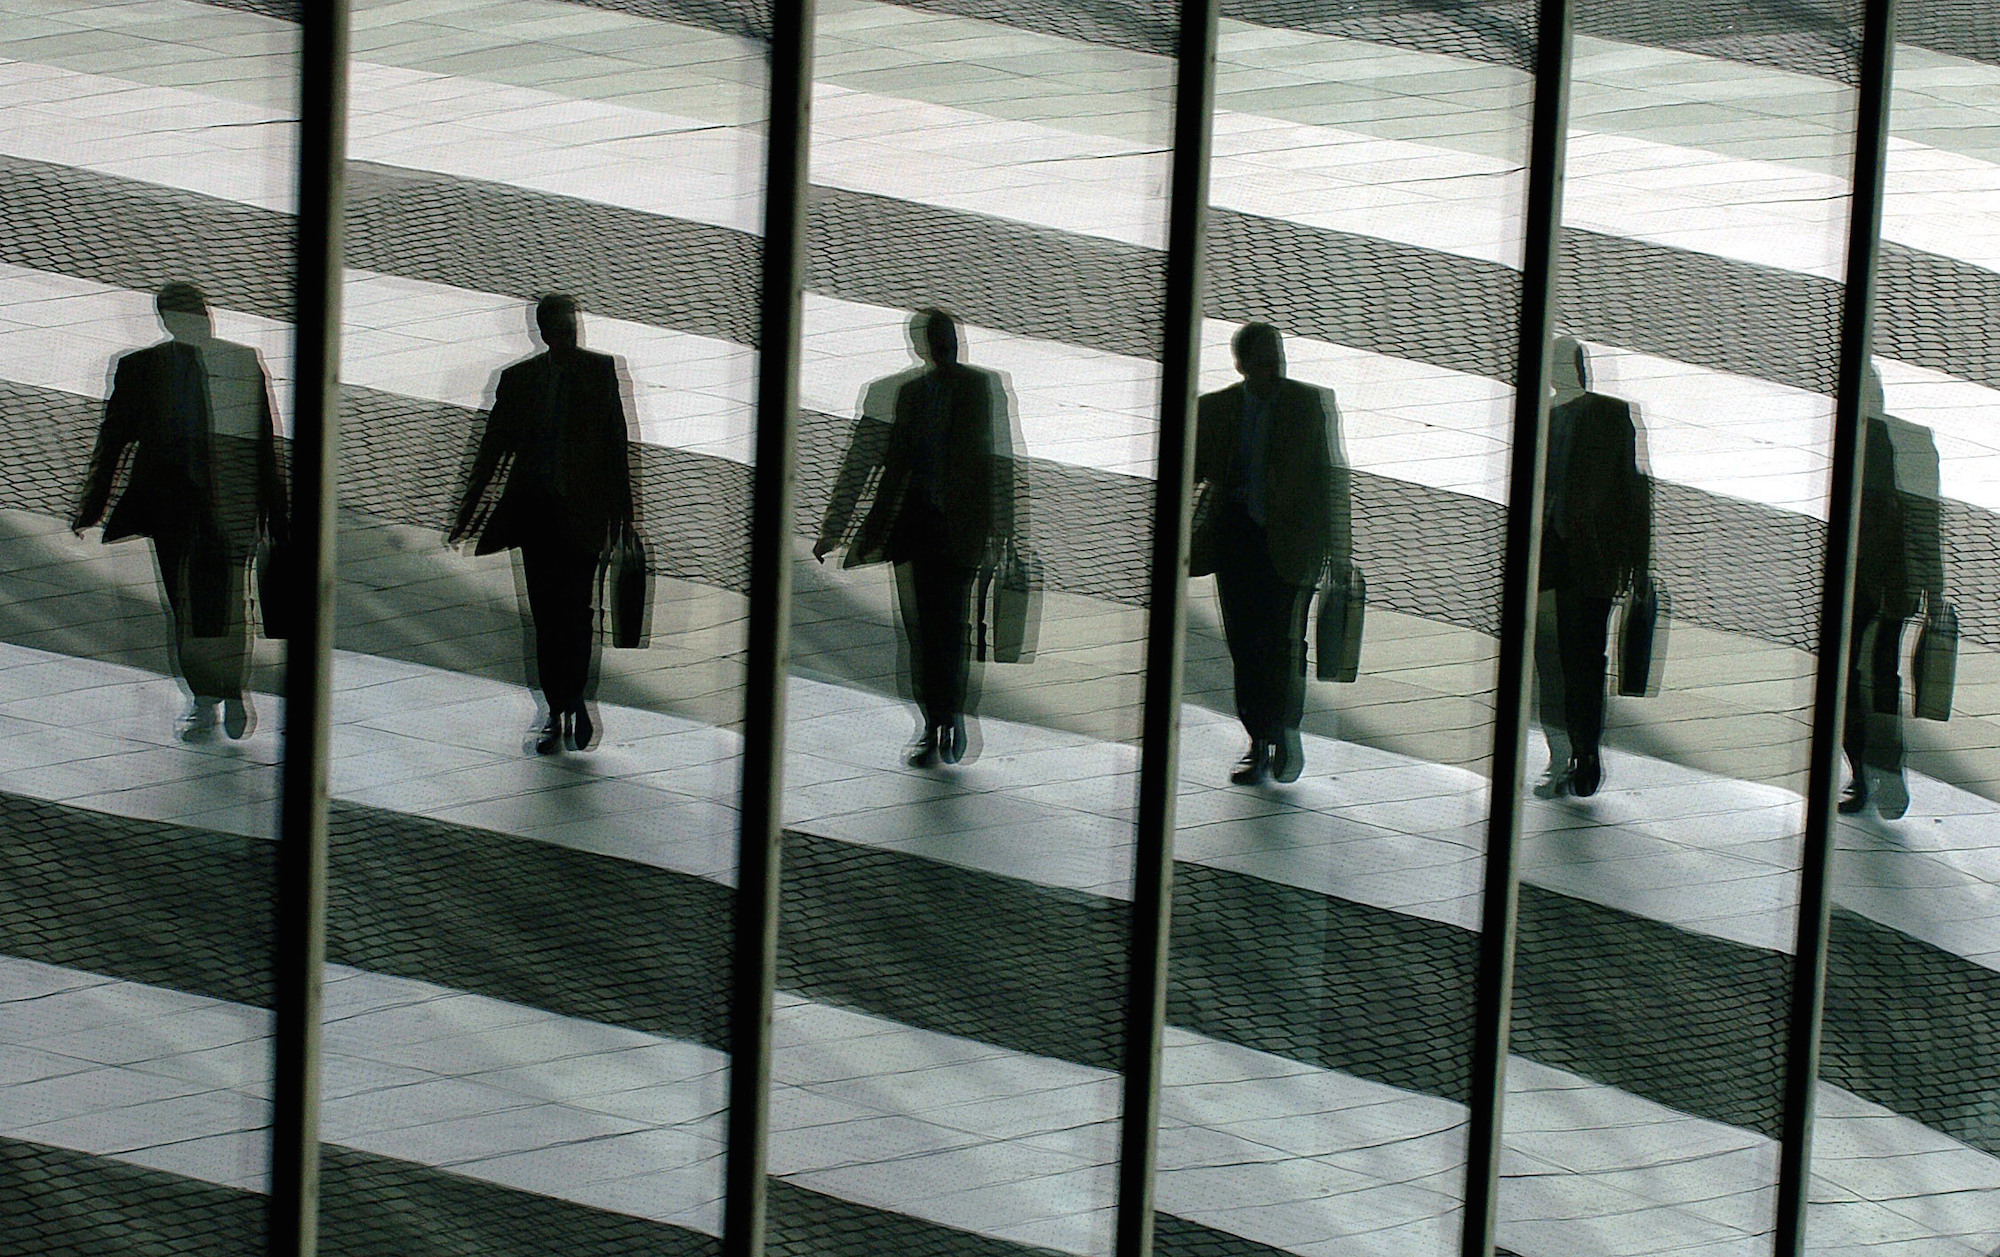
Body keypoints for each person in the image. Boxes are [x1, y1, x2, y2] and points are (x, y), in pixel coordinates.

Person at [73, 282, 287, 741]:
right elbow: (114, 441)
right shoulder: (149, 369)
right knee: (207, 604)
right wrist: (93, 505)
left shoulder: (230, 362)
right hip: (183, 507)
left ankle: (218, 695)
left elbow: (264, 444)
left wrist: (278, 513)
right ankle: (218, 695)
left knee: (209, 605)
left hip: (222, 504)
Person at [814, 308, 1015, 767]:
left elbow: (998, 460)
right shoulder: (909, 395)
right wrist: (835, 526)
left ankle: (946, 717)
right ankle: (937, 720)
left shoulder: (978, 388)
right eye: (939, 339)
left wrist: (1004, 530)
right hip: (920, 528)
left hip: (960, 530)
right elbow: (865, 465)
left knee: (948, 630)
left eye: (949, 338)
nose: (946, 347)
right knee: (926, 632)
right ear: (924, 346)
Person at [450, 294, 637, 755]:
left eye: (574, 325)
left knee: (575, 614)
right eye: (564, 327)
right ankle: (561, 707)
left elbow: (617, 448)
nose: (572, 334)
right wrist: (467, 512)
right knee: (549, 617)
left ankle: (570, 702)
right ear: (546, 332)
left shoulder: (600, 371)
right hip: (537, 517)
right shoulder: (519, 381)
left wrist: (624, 519)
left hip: (583, 516)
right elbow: (492, 450)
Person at [1193, 322, 1350, 785]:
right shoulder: (1216, 409)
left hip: (1289, 542)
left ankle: (1282, 730)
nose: (1273, 369)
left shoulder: (1306, 404)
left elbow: (1328, 478)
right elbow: (1192, 469)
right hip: (1237, 538)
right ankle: (1258, 739)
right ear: (1241, 364)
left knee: (1283, 645)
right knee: (1244, 644)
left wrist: (1337, 550)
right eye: (1262, 360)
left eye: (1277, 359)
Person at [1534, 336, 1651, 799]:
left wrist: (1638, 564)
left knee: (1582, 661)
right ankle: (1565, 753)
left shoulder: (1610, 415)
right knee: (1551, 661)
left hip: (1592, 559)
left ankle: (1584, 752)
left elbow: (1634, 492)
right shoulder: (1544, 416)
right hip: (1549, 557)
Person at [1841, 370, 1945, 819]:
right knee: (1878, 676)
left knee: (1859, 678)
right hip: (1887, 582)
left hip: (1871, 581)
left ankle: (1870, 772)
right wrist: (1932, 587)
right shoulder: (1910, 442)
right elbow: (1927, 522)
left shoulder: (1865, 441)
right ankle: (1878, 772)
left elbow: (1921, 519)